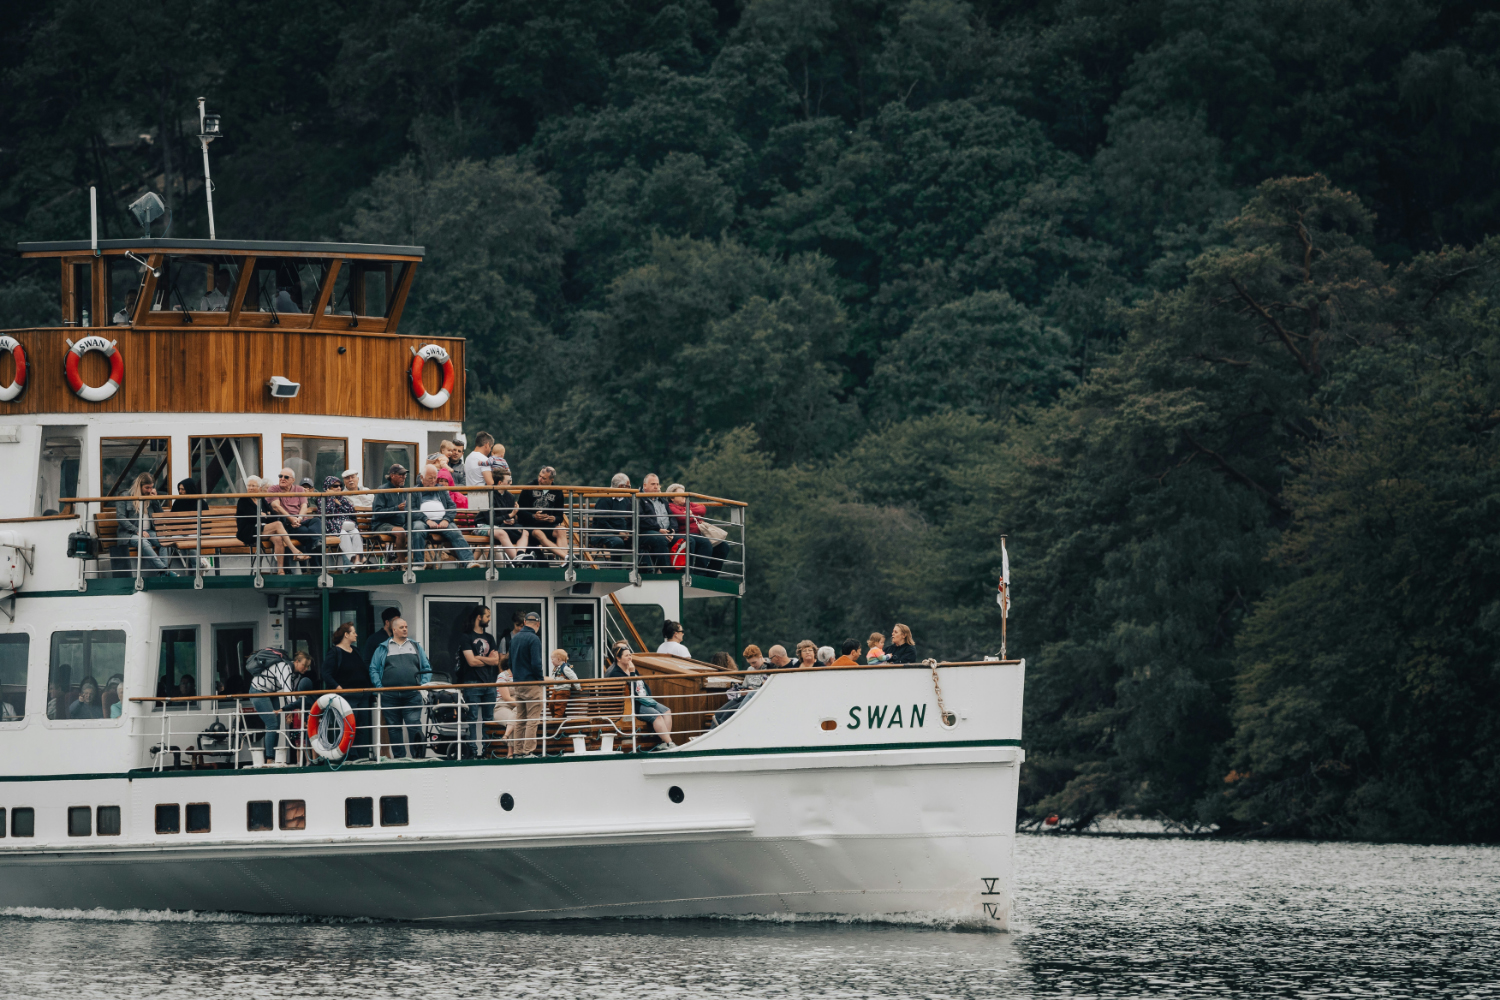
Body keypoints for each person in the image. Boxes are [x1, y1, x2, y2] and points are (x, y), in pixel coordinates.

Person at [368, 617, 433, 759]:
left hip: (412, 695)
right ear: (394, 629)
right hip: (389, 696)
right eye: (402, 627)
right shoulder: (383, 647)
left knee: (414, 725)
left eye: (406, 627)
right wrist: (380, 688)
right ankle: (400, 759)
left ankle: (418, 757)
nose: (405, 629)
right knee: (394, 728)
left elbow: (426, 668)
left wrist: (422, 686)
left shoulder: (415, 646)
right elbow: (373, 669)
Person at [607, 643, 676, 750]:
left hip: (643, 699)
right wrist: (632, 673)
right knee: (656, 716)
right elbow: (632, 692)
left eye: (630, 655)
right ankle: (670, 743)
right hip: (632, 704)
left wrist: (649, 697)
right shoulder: (616, 673)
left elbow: (642, 685)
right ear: (618, 658)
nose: (630, 657)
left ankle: (664, 742)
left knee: (666, 711)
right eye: (626, 656)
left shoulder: (631, 668)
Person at [248, 649, 313, 761]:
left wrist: (289, 711)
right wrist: (297, 710)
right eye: (304, 665)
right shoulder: (285, 668)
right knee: (272, 723)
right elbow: (288, 692)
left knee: (277, 724)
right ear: (296, 661)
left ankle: (272, 755)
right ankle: (269, 759)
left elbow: (289, 693)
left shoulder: (294, 674)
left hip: (271, 692)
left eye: (308, 666)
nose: (306, 669)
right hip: (258, 690)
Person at [413, 465, 480, 569]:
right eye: (430, 478)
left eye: (435, 478)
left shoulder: (441, 489)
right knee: (417, 530)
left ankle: (469, 562)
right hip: (422, 520)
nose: (433, 481)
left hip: (442, 520)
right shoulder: (414, 491)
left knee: (456, 532)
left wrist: (446, 519)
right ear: (422, 478)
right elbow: (411, 509)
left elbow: (452, 506)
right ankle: (419, 564)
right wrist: (427, 520)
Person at [322, 622, 372, 761]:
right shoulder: (334, 652)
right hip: (347, 695)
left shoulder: (355, 650)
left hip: (362, 694)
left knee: (361, 725)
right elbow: (326, 673)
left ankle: (360, 754)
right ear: (346, 634)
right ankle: (349, 756)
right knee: (349, 726)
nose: (356, 634)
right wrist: (338, 687)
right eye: (353, 632)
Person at [458, 605, 499, 758]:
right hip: (472, 683)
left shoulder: (490, 638)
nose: (489, 619)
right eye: (487, 616)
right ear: (478, 617)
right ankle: (472, 751)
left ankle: (488, 750)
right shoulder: (466, 637)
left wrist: (480, 658)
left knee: (489, 719)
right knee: (472, 718)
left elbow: (496, 662)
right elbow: (471, 662)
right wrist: (487, 660)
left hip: (489, 683)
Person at [114, 472, 174, 576]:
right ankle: (164, 570)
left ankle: (163, 575)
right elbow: (121, 518)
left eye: (151, 487)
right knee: (143, 542)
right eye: (147, 488)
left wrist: (155, 500)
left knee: (165, 541)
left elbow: (160, 514)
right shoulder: (125, 496)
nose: (150, 490)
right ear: (139, 486)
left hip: (149, 532)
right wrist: (137, 531)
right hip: (129, 534)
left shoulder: (150, 496)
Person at [237, 476, 300, 573]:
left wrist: (265, 515)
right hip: (249, 531)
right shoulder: (243, 500)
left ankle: (280, 571)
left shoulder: (261, 500)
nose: (251, 488)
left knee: (278, 538)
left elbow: (272, 515)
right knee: (278, 524)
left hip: (262, 530)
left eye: (253, 486)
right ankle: (295, 551)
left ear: (259, 488)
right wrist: (262, 515)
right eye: (249, 485)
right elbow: (250, 517)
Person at [666, 484, 725, 577]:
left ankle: (711, 576)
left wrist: (691, 513)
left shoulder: (688, 504)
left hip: (699, 533)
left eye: (685, 494)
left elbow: (702, 509)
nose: (684, 496)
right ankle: (699, 574)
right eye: (681, 494)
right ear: (672, 498)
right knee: (705, 543)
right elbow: (682, 518)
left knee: (723, 546)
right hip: (685, 534)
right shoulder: (670, 506)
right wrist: (693, 515)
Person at [508, 611, 545, 757]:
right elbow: (536, 664)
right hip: (531, 683)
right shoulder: (534, 639)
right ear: (538, 624)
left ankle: (517, 751)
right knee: (533, 718)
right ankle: (528, 750)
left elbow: (510, 662)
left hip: (518, 683)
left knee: (521, 718)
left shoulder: (515, 638)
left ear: (524, 623)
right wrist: (540, 680)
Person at [267, 468, 323, 558]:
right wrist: (291, 519)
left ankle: (317, 543)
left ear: (293, 480)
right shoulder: (273, 489)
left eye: (286, 477)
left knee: (316, 520)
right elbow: (276, 507)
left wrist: (299, 519)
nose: (282, 478)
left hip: (300, 520)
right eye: (280, 476)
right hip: (287, 523)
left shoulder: (299, 489)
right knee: (310, 535)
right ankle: (315, 569)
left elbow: (304, 506)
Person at [519, 466, 568, 563]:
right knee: (538, 533)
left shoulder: (557, 491)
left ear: (551, 480)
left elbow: (560, 516)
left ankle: (564, 563)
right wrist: (533, 516)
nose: (540, 480)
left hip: (548, 525)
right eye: (539, 476)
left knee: (561, 530)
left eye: (544, 478)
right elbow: (520, 511)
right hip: (530, 526)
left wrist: (553, 519)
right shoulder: (529, 487)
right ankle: (567, 557)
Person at [714, 644, 768, 727]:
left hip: (754, 699)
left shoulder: (769, 668)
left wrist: (751, 691)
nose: (753, 665)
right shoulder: (750, 669)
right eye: (750, 663)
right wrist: (742, 691)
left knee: (727, 714)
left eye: (754, 662)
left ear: (760, 657)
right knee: (718, 713)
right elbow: (744, 685)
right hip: (743, 697)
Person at [319, 476, 365, 568]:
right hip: (332, 526)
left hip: (346, 525)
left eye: (340, 485)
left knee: (355, 532)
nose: (339, 488)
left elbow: (350, 511)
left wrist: (339, 504)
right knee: (344, 534)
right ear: (328, 488)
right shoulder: (322, 499)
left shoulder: (343, 499)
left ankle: (357, 558)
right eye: (335, 486)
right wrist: (331, 498)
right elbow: (328, 512)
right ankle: (352, 560)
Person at [369, 464, 411, 562]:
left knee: (417, 530)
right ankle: (402, 563)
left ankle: (416, 561)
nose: (403, 477)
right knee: (401, 532)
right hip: (381, 524)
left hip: (400, 524)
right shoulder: (382, 490)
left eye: (405, 475)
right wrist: (396, 508)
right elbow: (377, 512)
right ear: (392, 475)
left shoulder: (404, 491)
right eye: (401, 474)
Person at [486, 470, 529, 563]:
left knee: (525, 532)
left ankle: (520, 554)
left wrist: (512, 520)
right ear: (500, 483)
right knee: (502, 532)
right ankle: (517, 560)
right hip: (489, 525)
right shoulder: (489, 495)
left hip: (505, 526)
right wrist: (510, 515)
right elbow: (490, 519)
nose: (511, 483)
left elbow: (511, 516)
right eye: (509, 481)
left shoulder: (510, 496)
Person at [636, 474, 674, 569]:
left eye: (657, 484)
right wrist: (659, 529)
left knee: (690, 540)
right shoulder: (637, 499)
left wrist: (672, 530)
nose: (656, 487)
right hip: (645, 533)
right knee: (661, 539)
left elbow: (672, 517)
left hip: (666, 532)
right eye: (653, 484)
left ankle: (696, 573)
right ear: (645, 486)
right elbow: (642, 519)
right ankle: (666, 573)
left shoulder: (663, 500)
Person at [593, 473, 635, 560]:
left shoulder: (627, 499)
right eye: (628, 486)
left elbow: (629, 519)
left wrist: (627, 532)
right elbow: (602, 523)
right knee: (617, 542)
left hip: (621, 533)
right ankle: (616, 570)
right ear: (621, 487)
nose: (630, 489)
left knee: (640, 539)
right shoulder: (604, 499)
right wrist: (619, 533)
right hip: (603, 533)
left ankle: (643, 569)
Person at [464, 433, 497, 512]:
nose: (490, 450)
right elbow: (490, 482)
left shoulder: (468, 458)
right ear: (487, 445)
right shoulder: (483, 459)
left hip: (470, 497)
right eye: (490, 447)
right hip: (482, 498)